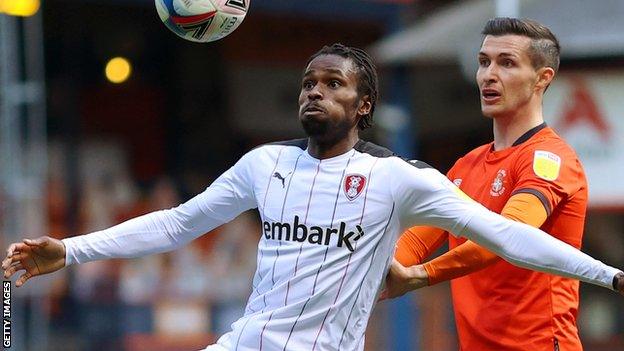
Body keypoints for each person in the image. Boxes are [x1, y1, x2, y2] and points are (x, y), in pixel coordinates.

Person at [3, 43, 623, 351]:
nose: (314, 93)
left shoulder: (399, 179)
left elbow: (510, 235)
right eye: (308, 83)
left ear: (364, 105)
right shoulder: (264, 165)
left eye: (333, 84)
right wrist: (71, 250)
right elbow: (174, 226)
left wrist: (611, 277)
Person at [385, 18, 611, 350]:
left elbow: (510, 234)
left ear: (541, 78)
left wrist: (423, 275)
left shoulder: (550, 157)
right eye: (483, 62)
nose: (489, 74)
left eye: (506, 63)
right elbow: (413, 245)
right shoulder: (466, 166)